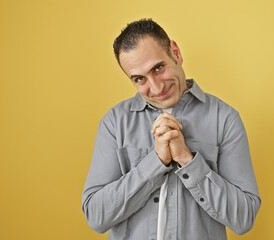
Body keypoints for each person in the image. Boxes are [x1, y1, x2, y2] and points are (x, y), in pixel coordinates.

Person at [82, 19, 261, 240]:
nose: (157, 88)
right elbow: (96, 217)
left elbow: (243, 219)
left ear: (175, 52)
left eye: (158, 68)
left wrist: (188, 160)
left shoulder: (225, 119)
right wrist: (155, 162)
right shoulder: (113, 123)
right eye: (139, 79)